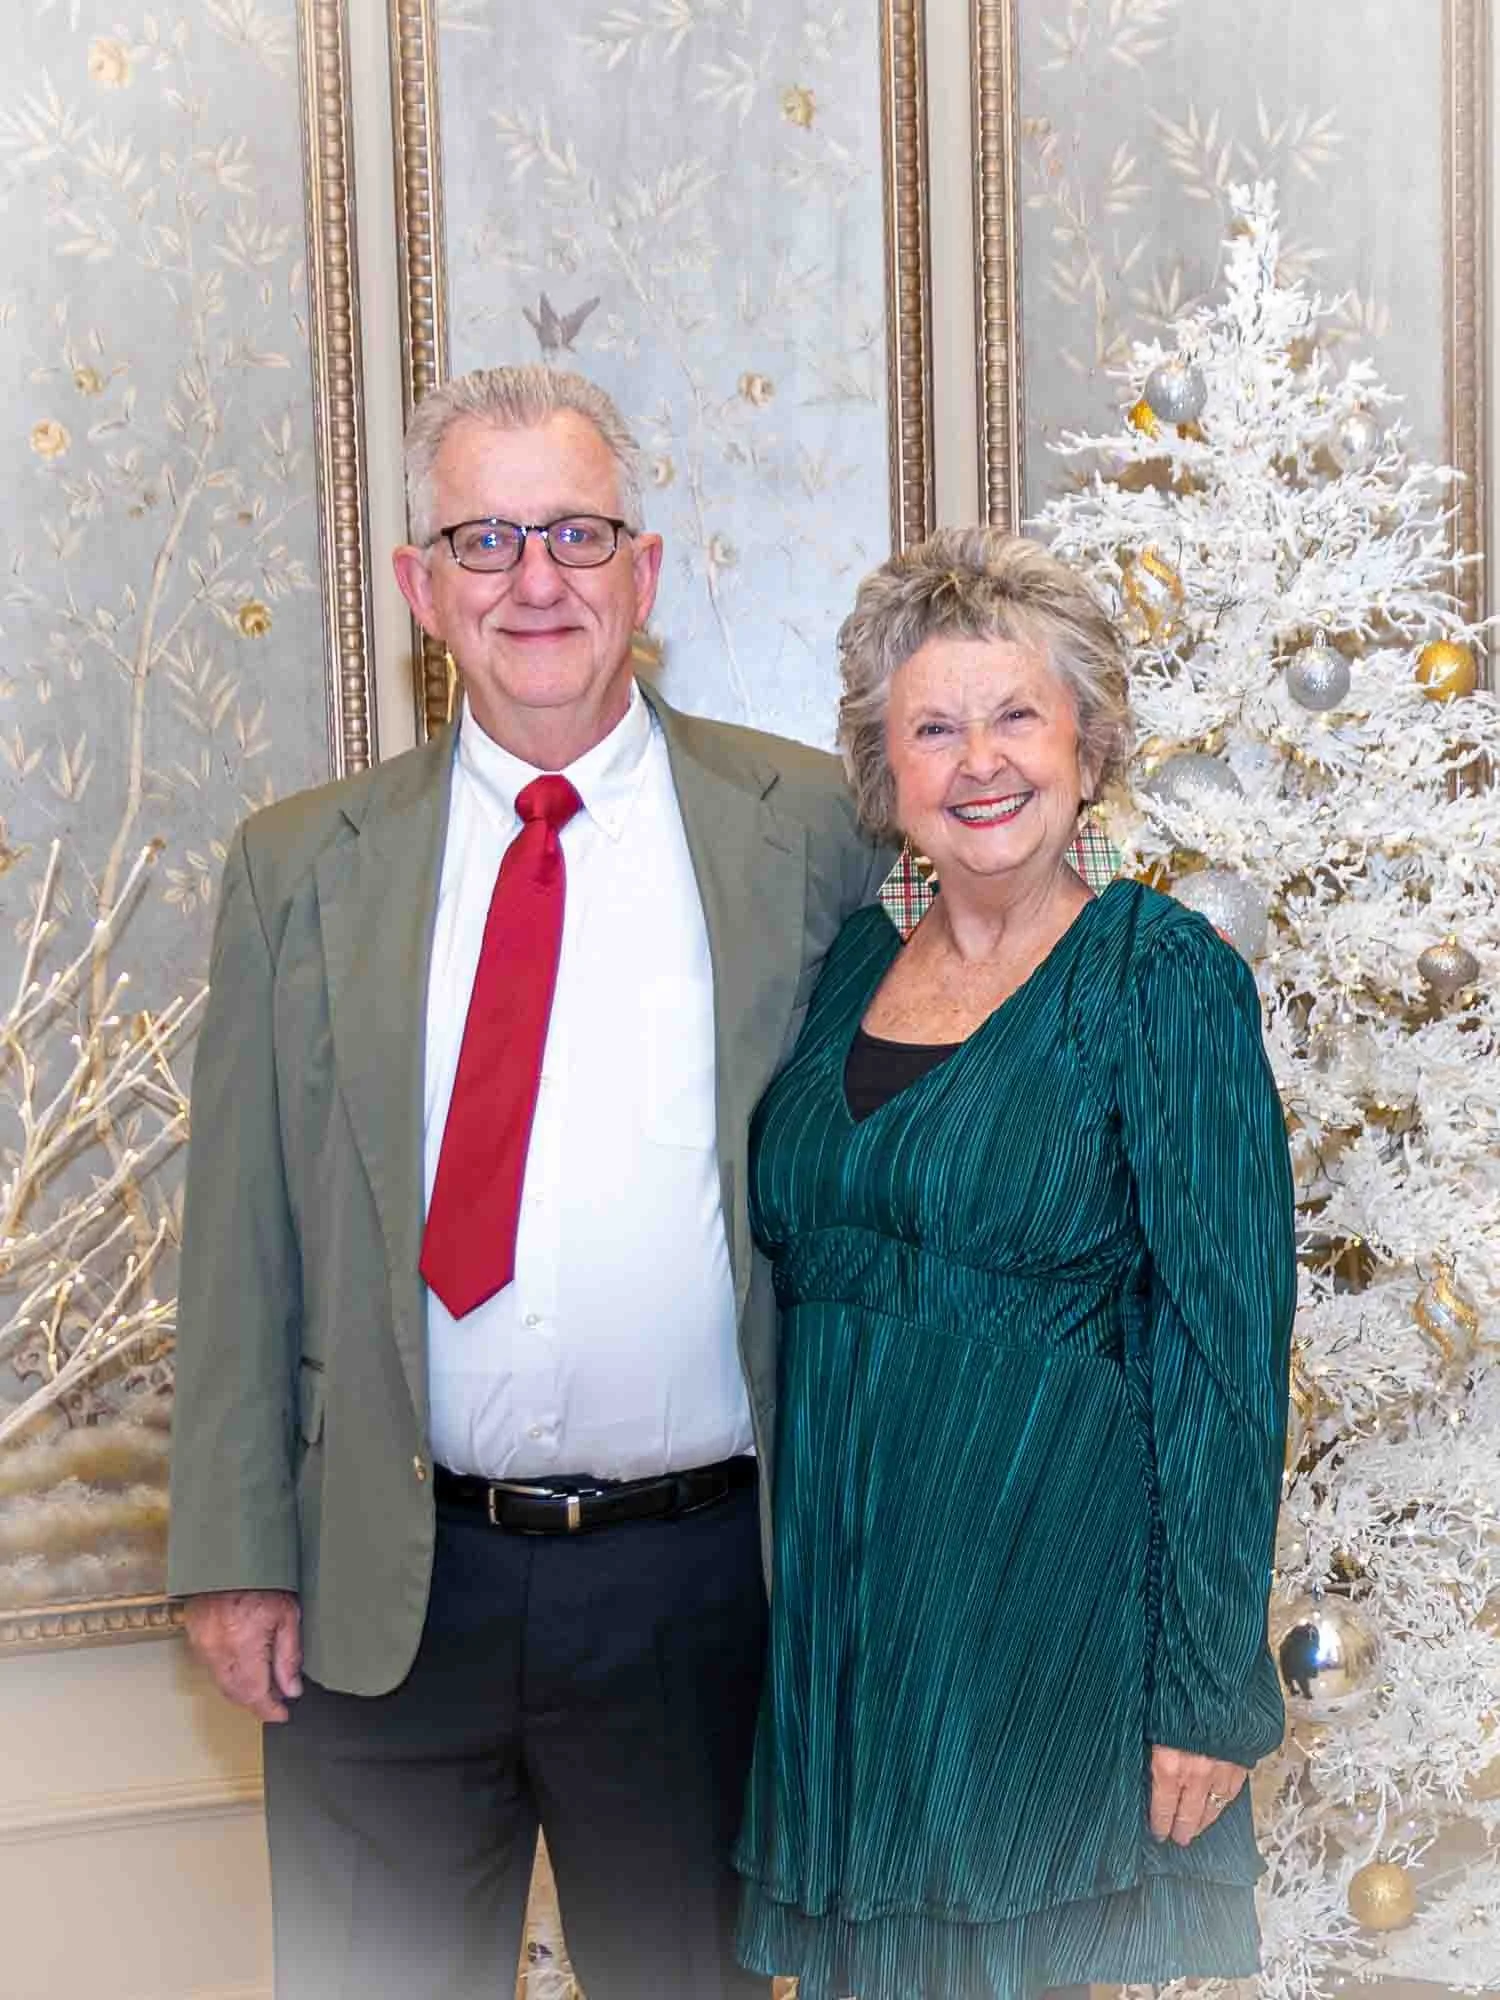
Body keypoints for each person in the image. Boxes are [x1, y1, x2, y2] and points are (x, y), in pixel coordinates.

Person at [166, 364, 893, 2000]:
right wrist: (233, 1551)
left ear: (644, 573)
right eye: (485, 539)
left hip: (702, 1594)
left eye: (575, 533)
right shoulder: (298, 867)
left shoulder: (806, 832)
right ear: (424, 592)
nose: (535, 581)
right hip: (381, 1588)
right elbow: (241, 1239)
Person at [733, 527, 1297, 2000]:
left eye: (1015, 716)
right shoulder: (848, 965)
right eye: (933, 727)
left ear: (1089, 744)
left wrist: (1205, 1691)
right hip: (852, 1628)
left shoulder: (1163, 976)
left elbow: (1228, 1354)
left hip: (1046, 1621)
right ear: (887, 769)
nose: (978, 761)